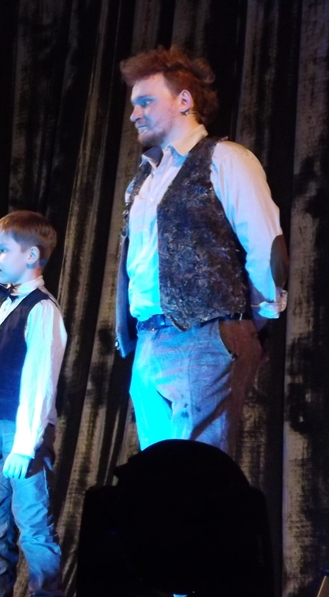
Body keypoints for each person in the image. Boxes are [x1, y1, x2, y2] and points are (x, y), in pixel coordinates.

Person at [115, 46, 289, 454]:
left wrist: (249, 324)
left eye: (145, 102)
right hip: (149, 341)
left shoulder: (225, 159)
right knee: (157, 475)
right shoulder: (142, 181)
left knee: (198, 472)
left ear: (184, 101)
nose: (134, 114)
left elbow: (266, 247)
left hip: (207, 334)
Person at [0, 210, 67, 597]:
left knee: (33, 526)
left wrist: (25, 445)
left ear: (32, 255)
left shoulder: (42, 308)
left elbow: (39, 381)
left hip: (21, 433)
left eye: (3, 250)